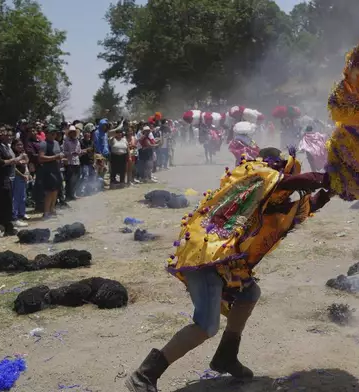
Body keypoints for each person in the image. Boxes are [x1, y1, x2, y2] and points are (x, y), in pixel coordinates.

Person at [125, 148, 333, 392]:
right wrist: (332, 177)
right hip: (207, 255)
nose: (289, 197)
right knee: (206, 325)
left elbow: (307, 206)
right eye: (286, 188)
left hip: (224, 260)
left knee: (249, 293)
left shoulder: (269, 200)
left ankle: (226, 356)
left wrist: (333, 191)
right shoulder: (259, 176)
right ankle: (144, 375)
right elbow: (295, 181)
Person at [38, 126, 65, 219]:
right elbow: (41, 158)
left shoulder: (56, 143)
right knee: (50, 191)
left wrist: (62, 158)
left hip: (56, 169)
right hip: (48, 170)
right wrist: (55, 157)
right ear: (47, 133)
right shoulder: (43, 144)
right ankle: (46, 212)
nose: (54, 135)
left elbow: (59, 155)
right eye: (52, 133)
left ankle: (52, 209)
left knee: (56, 189)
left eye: (55, 133)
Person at [11, 139, 30, 223]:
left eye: (21, 145)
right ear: (13, 146)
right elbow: (13, 168)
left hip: (24, 177)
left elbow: (26, 162)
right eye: (18, 145)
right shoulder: (13, 154)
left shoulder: (22, 154)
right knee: (16, 197)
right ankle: (14, 215)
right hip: (17, 177)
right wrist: (22, 175)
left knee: (23, 196)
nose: (20, 146)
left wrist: (25, 158)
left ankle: (22, 213)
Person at [62, 125, 83, 200]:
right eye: (72, 132)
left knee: (76, 178)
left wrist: (79, 152)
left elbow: (79, 150)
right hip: (69, 162)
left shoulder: (77, 141)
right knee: (70, 179)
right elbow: (64, 152)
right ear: (69, 133)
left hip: (77, 161)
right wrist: (71, 153)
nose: (73, 133)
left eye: (74, 132)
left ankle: (73, 193)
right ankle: (68, 195)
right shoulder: (66, 141)